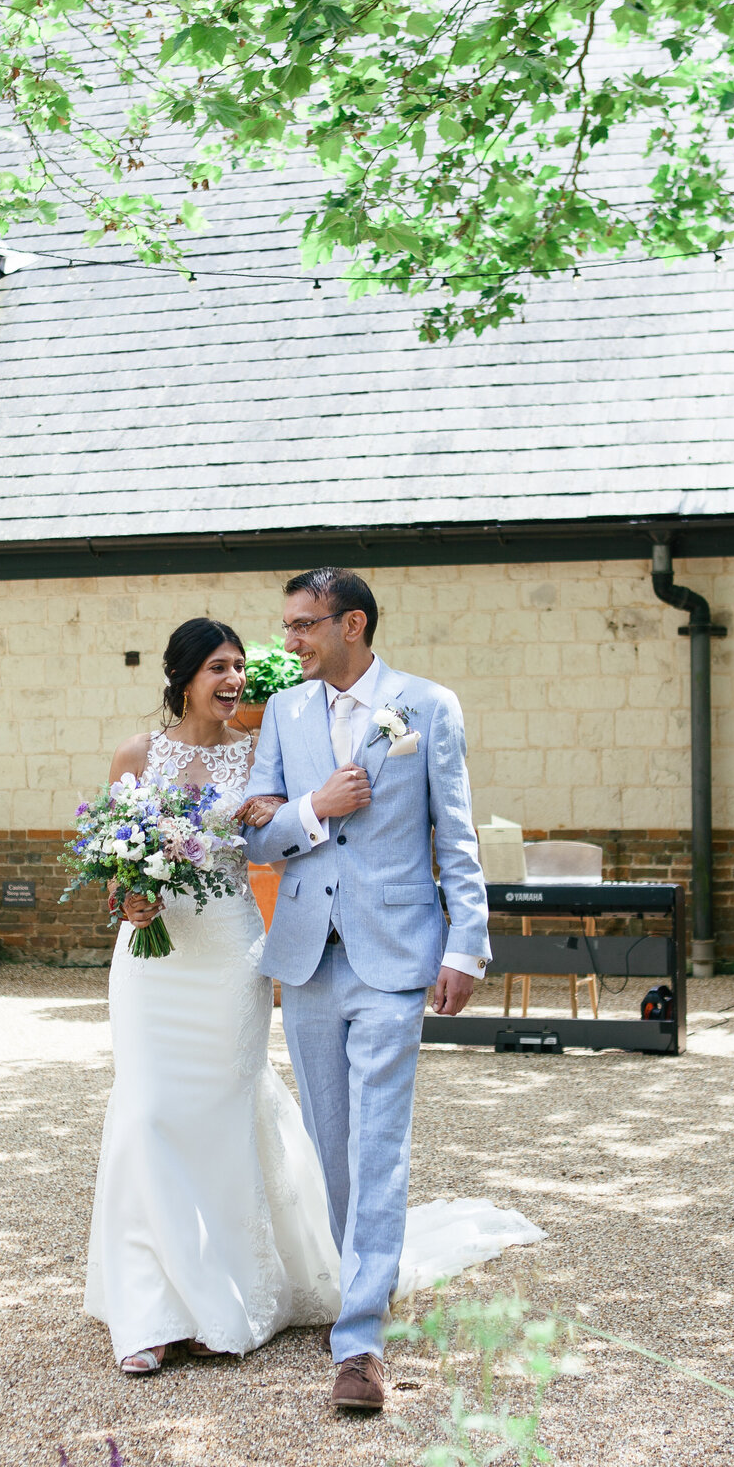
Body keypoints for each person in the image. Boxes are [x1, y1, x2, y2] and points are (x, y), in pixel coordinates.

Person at [84, 612, 543, 1384]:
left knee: (227, 1118)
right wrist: (126, 898)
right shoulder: (137, 754)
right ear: (183, 678)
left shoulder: (258, 750)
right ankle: (149, 1310)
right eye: (218, 670)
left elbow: (276, 837)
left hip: (230, 948)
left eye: (238, 668)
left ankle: (220, 1300)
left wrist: (318, 807)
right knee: (146, 1112)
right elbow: (109, 862)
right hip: (153, 960)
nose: (234, 682)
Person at [241, 566, 501, 1412]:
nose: (288, 643)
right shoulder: (283, 711)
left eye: (303, 626)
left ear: (352, 624)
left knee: (378, 1141)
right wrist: (314, 806)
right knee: (330, 1144)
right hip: (311, 956)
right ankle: (369, 1283)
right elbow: (260, 838)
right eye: (284, 627)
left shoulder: (428, 708)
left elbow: (455, 838)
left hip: (396, 955)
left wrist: (468, 946)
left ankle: (358, 1346)